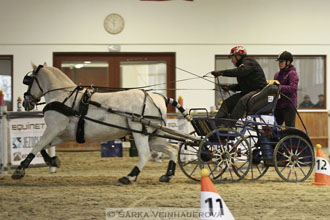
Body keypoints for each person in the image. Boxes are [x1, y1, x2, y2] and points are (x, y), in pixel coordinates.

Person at [211, 46, 267, 127]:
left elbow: (240, 72)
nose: (231, 60)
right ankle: (218, 125)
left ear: (238, 56)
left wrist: (221, 73)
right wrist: (230, 87)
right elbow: (242, 86)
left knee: (242, 101)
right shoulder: (242, 66)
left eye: (232, 57)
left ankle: (229, 126)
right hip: (248, 92)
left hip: (258, 92)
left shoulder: (248, 62)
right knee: (227, 103)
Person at [273, 51, 299, 127]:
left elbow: (293, 88)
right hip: (278, 105)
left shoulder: (292, 73)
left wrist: (279, 87)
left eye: (281, 61)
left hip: (289, 106)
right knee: (274, 128)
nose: (279, 64)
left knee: (289, 128)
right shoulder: (277, 74)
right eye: (279, 62)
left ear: (288, 62)